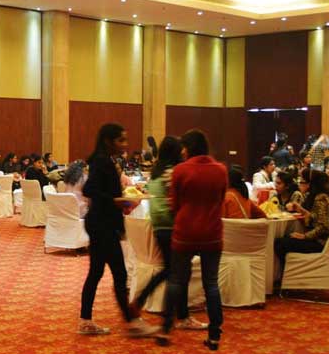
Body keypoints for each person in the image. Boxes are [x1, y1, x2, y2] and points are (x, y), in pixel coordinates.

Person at [79, 123, 159, 336]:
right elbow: (90, 189)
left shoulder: (104, 160)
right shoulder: (102, 161)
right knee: (119, 274)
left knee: (96, 273)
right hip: (102, 225)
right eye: (120, 140)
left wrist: (119, 201)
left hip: (101, 222)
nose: (125, 144)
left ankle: (86, 320)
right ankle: (132, 322)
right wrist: (115, 201)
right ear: (108, 141)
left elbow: (99, 190)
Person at [161, 129, 226, 350]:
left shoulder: (180, 170)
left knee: (176, 280)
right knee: (211, 284)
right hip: (212, 233)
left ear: (188, 148)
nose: (182, 151)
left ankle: (165, 328)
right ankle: (214, 334)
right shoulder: (220, 170)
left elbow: (174, 204)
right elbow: (221, 200)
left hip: (185, 232)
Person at [132, 136, 205, 329]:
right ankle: (177, 315)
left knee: (172, 270)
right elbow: (180, 200)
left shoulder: (156, 172)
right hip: (173, 226)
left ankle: (169, 311)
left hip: (159, 225)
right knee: (179, 271)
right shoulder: (173, 172)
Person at [275, 170, 329, 282]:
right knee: (282, 241)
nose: (302, 184)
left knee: (280, 244)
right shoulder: (321, 196)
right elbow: (316, 218)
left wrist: (305, 236)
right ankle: (288, 277)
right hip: (320, 241)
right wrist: (302, 210)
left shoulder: (321, 199)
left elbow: (324, 227)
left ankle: (287, 278)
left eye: (305, 182)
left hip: (320, 243)